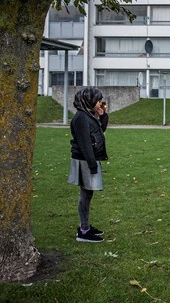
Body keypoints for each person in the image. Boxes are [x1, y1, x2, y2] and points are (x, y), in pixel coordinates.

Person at [68, 88, 108, 243]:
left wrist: (102, 116)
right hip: (85, 160)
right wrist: (92, 165)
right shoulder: (81, 118)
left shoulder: (88, 115)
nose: (100, 103)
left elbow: (100, 131)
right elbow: (85, 143)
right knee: (86, 194)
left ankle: (85, 227)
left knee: (88, 194)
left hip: (89, 159)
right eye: (98, 100)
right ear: (89, 100)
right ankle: (83, 232)